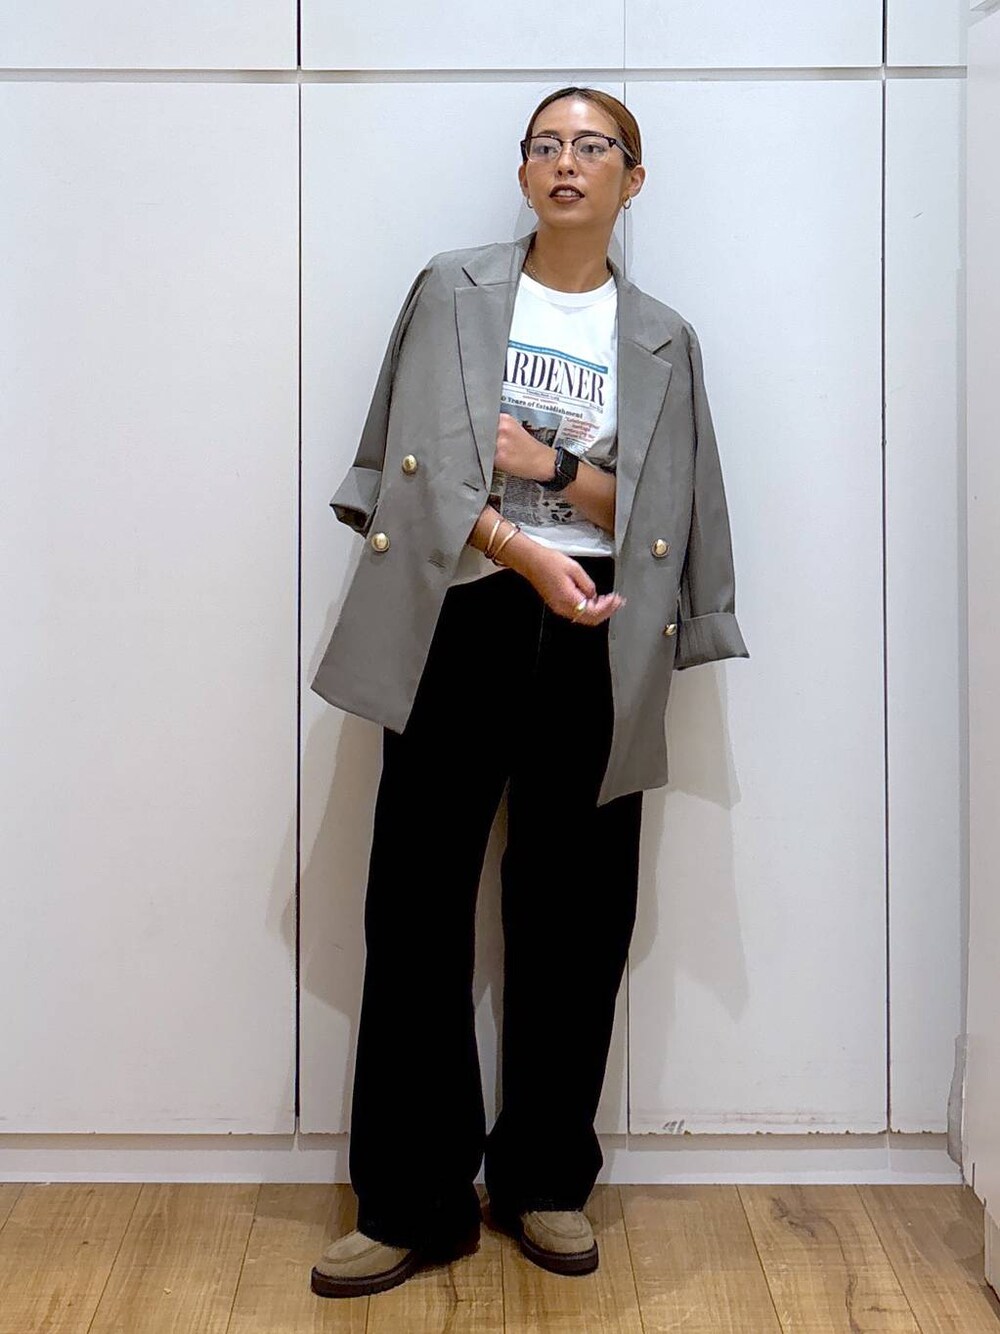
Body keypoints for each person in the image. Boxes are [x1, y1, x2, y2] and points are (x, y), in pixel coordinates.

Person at [310, 86, 749, 1300]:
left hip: (602, 626)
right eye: (546, 144)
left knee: (577, 915)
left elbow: (669, 505)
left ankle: (545, 1178)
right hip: (460, 611)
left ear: (631, 179)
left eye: (593, 146)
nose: (568, 162)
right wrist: (521, 549)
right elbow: (414, 465)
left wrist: (550, 463)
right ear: (522, 172)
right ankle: (410, 1198)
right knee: (415, 905)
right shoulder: (451, 289)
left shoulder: (661, 337)